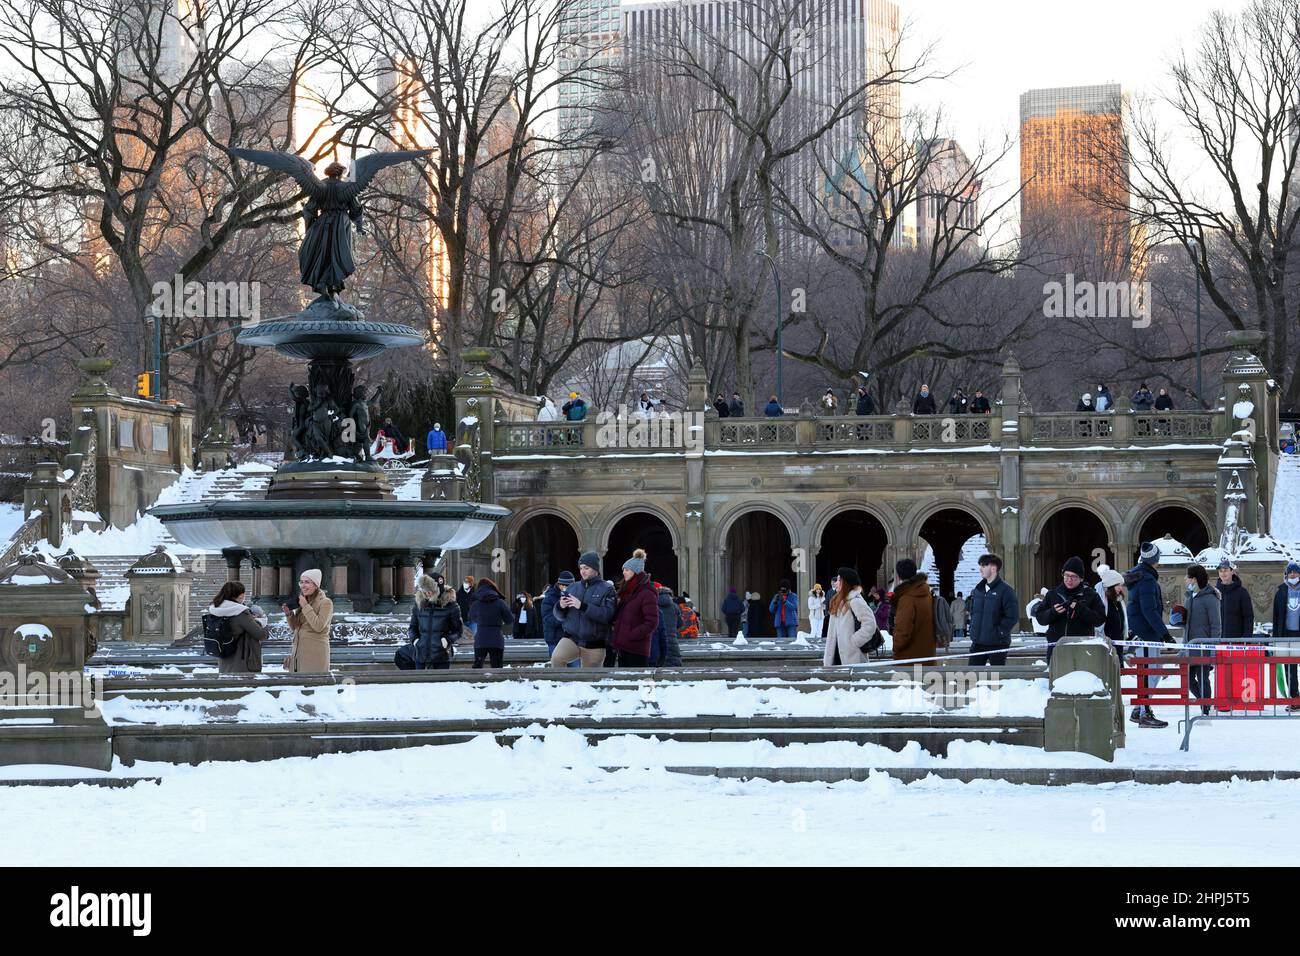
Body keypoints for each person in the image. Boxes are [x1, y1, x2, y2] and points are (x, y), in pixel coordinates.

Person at [1034, 556, 1106, 662]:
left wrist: (1081, 610)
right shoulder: (1053, 594)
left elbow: (1099, 619)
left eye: (1074, 577)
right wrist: (1053, 612)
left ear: (1081, 578)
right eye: (1066, 575)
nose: (1069, 580)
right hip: (1057, 650)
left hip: (1082, 650)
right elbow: (1040, 618)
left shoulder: (1091, 595)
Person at [552, 551, 616, 668]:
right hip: (571, 639)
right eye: (581, 568)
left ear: (595, 569)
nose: (583, 571)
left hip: (594, 644)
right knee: (556, 659)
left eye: (586, 568)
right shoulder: (573, 587)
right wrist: (561, 606)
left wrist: (582, 606)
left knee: (589, 681)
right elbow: (559, 616)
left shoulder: (607, 589)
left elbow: (607, 615)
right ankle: (563, 686)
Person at [395, 574, 461, 670]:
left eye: (430, 590)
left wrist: (447, 640)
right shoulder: (419, 605)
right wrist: (415, 640)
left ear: (438, 589)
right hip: (420, 655)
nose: (427, 593)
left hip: (441, 656)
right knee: (420, 683)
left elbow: (458, 631)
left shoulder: (451, 606)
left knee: (440, 684)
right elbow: (412, 627)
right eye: (425, 590)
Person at [967, 554, 1018, 667]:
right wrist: (973, 631)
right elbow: (973, 612)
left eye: (984, 565)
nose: (980, 568)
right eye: (980, 565)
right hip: (978, 643)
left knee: (997, 678)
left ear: (993, 568)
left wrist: (998, 633)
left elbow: (1012, 617)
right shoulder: (978, 590)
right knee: (972, 676)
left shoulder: (1006, 591)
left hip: (997, 644)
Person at [610, 549, 659, 667]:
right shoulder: (627, 592)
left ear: (635, 572)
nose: (624, 573)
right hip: (624, 648)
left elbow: (652, 622)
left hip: (637, 650)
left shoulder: (646, 593)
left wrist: (631, 635)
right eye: (623, 570)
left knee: (636, 683)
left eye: (627, 570)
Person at [207, 581, 268, 674]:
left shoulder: (216, 609)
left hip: (224, 661)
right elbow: (260, 634)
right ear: (239, 595)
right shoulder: (240, 612)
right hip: (243, 663)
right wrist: (261, 620)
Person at [1184, 563, 1221, 714]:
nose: (1185, 579)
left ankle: (1205, 707)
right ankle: (1204, 701)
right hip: (1190, 645)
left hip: (1204, 646)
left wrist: (1212, 648)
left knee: (1203, 678)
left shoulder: (1210, 599)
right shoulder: (1189, 597)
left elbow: (1216, 625)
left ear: (1195, 579)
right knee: (1188, 680)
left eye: (1188, 576)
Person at [822, 567, 877, 665]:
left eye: (839, 580)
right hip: (836, 654)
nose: (836, 583)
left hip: (851, 655)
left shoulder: (855, 601)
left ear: (846, 583)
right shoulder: (837, 600)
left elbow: (870, 624)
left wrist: (854, 642)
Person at [282, 568, 333, 673]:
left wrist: (305, 605)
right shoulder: (304, 601)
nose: (303, 585)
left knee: (313, 686)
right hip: (298, 654)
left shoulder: (325, 602)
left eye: (307, 582)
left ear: (316, 584)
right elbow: (296, 628)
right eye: (301, 582)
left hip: (314, 655)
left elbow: (318, 626)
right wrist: (289, 614)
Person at [891, 558, 936, 662]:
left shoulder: (907, 598)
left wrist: (896, 647)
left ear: (898, 576)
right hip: (927, 654)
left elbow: (903, 630)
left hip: (909, 659)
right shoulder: (926, 593)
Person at [468, 577, 511, 668]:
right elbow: (509, 620)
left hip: (480, 639)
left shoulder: (476, 603)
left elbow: (472, 618)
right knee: (497, 668)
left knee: (477, 667)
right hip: (496, 639)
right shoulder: (500, 602)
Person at [1274, 562, 1300, 710]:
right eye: (1290, 572)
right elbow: (1276, 616)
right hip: (1286, 635)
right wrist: (1276, 637)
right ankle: (1294, 697)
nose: (1293, 575)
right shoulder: (1281, 591)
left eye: (1296, 572)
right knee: (1290, 667)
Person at [540, 571, 575, 664]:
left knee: (576, 672)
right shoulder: (549, 598)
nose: (566, 588)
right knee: (559, 670)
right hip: (555, 639)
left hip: (573, 640)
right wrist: (564, 617)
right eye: (564, 585)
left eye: (569, 585)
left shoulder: (576, 596)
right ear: (559, 585)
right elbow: (548, 620)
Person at [1216, 557, 1254, 641]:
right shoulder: (1214, 592)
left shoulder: (1242, 592)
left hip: (1237, 640)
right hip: (1217, 640)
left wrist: (1246, 638)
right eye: (1220, 571)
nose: (1223, 573)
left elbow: (1248, 617)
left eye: (1225, 570)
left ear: (1232, 571)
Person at [1095, 565, 1127, 656]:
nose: (1120, 588)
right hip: (1106, 647)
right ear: (1110, 586)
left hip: (1118, 646)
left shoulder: (1119, 601)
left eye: (1121, 585)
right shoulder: (1102, 603)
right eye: (1118, 585)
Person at [655, 582, 683, 667]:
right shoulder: (674, 606)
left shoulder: (653, 605)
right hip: (672, 641)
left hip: (658, 641)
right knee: (673, 669)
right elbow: (680, 623)